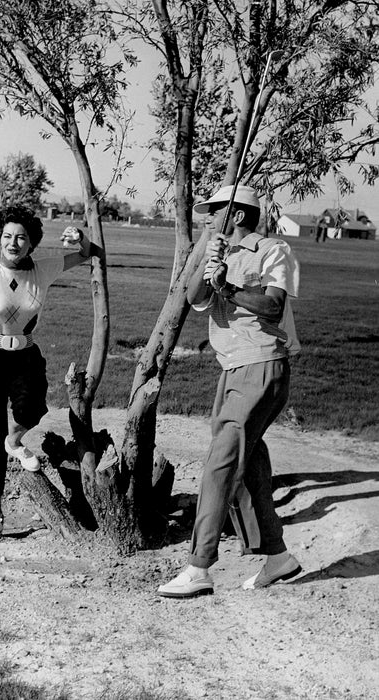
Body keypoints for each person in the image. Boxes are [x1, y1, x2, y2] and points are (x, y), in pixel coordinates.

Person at [158, 185, 302, 598]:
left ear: (237, 216)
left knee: (219, 464)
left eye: (214, 212)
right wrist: (208, 259)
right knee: (249, 465)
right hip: (232, 369)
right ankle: (277, 557)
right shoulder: (217, 253)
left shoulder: (272, 250)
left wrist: (229, 288)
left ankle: (199, 566)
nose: (206, 218)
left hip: (261, 365)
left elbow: (273, 305)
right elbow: (193, 297)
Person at [0, 205, 91, 542]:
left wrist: (81, 238)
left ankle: (15, 441)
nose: (13, 242)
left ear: (32, 243)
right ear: (0, 239)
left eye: (21, 237)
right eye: (7, 236)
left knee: (32, 409)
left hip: (26, 355)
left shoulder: (44, 269)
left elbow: (90, 254)